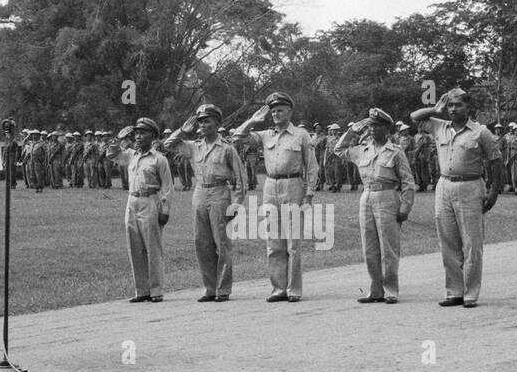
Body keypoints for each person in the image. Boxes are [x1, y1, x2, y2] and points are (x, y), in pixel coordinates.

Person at [409, 88, 501, 307]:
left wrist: (494, 191)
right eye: (450, 105)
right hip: (444, 186)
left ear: (468, 107)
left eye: (458, 105)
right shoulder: (439, 126)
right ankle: (454, 291)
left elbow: (496, 162)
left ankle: (470, 293)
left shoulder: (481, 132)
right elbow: (414, 117)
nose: (453, 109)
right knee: (448, 241)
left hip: (470, 186)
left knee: (472, 243)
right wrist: (435, 108)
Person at [232, 92, 319, 302]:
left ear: (290, 111)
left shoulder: (301, 135)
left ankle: (293, 289)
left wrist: (309, 195)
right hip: (270, 186)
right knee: (273, 241)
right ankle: (278, 288)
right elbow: (237, 137)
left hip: (293, 185)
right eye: (273, 111)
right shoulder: (265, 135)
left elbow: (312, 166)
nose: (276, 114)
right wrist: (253, 121)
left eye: (280, 110)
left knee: (293, 243)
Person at [161, 103, 247, 302]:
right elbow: (167, 145)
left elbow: (240, 179)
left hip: (219, 192)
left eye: (207, 121)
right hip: (199, 192)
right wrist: (183, 130)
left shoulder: (227, 148)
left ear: (217, 123)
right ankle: (210, 288)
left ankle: (223, 289)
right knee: (202, 243)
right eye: (200, 121)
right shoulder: (193, 146)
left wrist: (237, 203)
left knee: (221, 243)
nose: (202, 125)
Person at [333, 108, 416, 303]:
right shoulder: (362, 149)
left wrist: (405, 206)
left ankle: (390, 290)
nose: (372, 130)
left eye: (377, 126)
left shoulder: (395, 152)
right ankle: (375, 289)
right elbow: (338, 150)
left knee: (388, 247)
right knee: (369, 247)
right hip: (367, 196)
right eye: (370, 126)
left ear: (387, 129)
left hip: (387, 196)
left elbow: (407, 181)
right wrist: (354, 130)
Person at [125, 117, 173, 302]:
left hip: (150, 200)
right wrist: (119, 139)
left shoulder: (159, 159)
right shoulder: (131, 155)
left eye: (143, 133)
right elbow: (111, 155)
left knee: (152, 248)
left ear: (152, 136)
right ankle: (141, 290)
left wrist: (165, 210)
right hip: (132, 200)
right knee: (134, 247)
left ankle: (156, 290)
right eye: (136, 133)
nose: (138, 136)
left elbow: (167, 187)